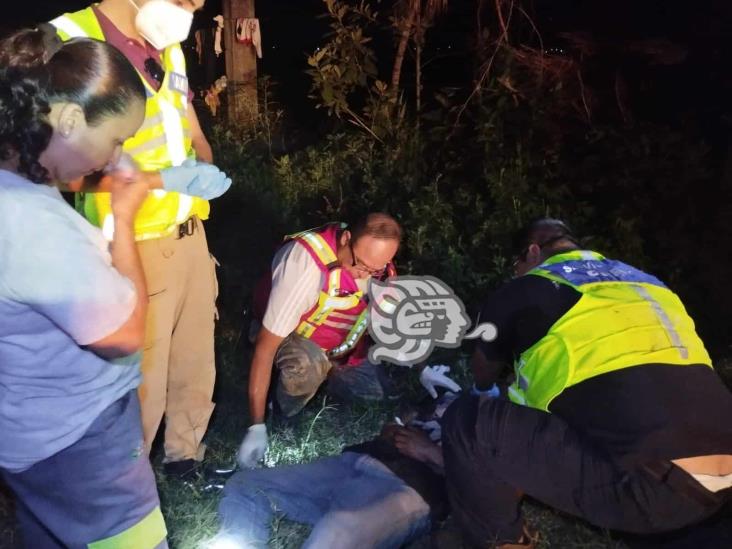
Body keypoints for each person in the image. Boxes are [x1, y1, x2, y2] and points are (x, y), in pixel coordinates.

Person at [441, 218, 732, 548]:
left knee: (469, 423)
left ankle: (504, 542)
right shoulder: (647, 284)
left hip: (656, 489)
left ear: (533, 252)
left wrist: (484, 393)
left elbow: (483, 372)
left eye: (516, 264)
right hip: (722, 478)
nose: (516, 272)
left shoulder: (527, 286)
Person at [0, 27, 167, 548]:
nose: (115, 159)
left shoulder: (18, 186)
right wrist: (124, 216)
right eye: (117, 140)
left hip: (28, 431)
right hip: (81, 445)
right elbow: (124, 333)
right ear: (69, 119)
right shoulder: (32, 224)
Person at [50, 0, 230, 477]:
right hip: (130, 244)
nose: (190, 10)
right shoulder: (68, 40)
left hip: (190, 231)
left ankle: (184, 456)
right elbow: (51, 168)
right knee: (140, 373)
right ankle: (127, 476)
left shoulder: (168, 48)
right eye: (184, 0)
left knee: (194, 358)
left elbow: (190, 128)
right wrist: (163, 181)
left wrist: (203, 165)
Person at [237, 214, 460, 468]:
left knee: (373, 396)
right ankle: (282, 413)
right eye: (362, 264)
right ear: (346, 238)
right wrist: (256, 426)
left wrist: (423, 368)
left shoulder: (380, 269)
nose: (366, 274)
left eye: (376, 268)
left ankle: (322, 379)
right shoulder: (305, 263)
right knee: (306, 366)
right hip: (290, 337)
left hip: (339, 349)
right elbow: (266, 347)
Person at [216, 394, 457, 549]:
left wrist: (432, 453)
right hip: (354, 462)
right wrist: (394, 427)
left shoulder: (489, 430)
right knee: (246, 485)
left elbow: (484, 491)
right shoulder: (450, 397)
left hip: (410, 488)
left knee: (336, 533)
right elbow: (398, 417)